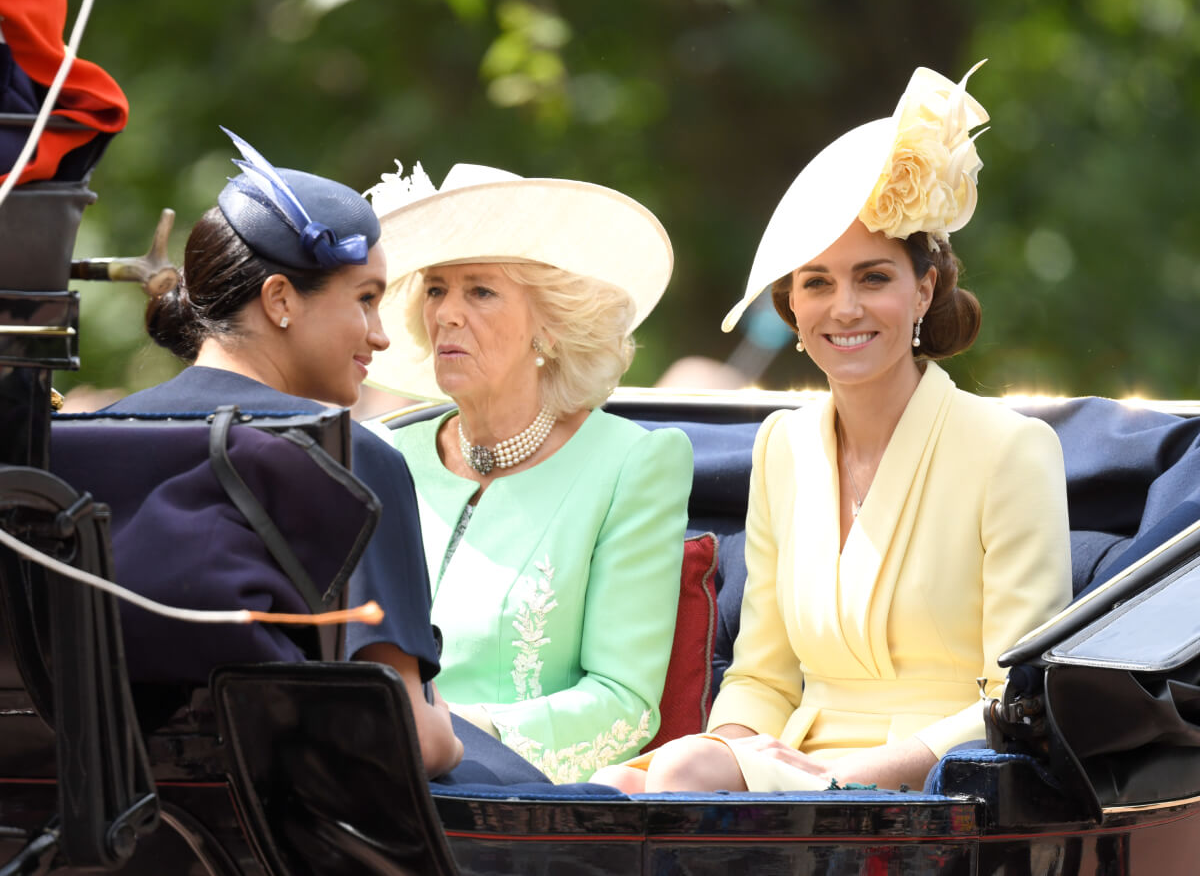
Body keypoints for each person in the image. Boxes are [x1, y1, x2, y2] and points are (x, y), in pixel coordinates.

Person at [595, 62, 1073, 793]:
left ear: (925, 288)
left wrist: (849, 773)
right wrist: (727, 752)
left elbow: (1014, 694)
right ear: (791, 309)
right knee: (624, 788)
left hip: (936, 781)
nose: (843, 307)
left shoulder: (1010, 450)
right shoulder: (781, 448)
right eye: (816, 282)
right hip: (790, 763)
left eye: (873, 277)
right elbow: (760, 674)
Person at [106, 129, 463, 778]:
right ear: (279, 300)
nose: (381, 336)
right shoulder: (349, 459)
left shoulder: (86, 439)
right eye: (365, 299)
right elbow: (414, 738)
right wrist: (451, 733)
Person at [355, 162, 693, 784]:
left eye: (480, 291)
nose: (447, 314)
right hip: (365, 777)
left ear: (549, 325)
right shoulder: (381, 455)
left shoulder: (634, 463)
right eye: (436, 289)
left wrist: (453, 736)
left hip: (515, 804)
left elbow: (625, 705)